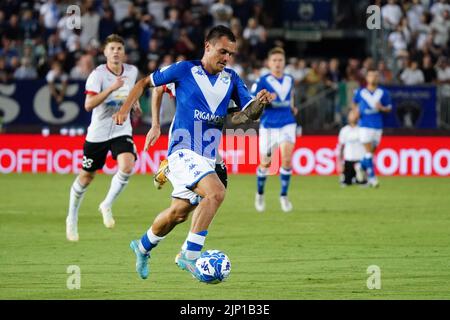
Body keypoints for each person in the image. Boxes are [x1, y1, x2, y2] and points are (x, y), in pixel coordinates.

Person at [112, 25, 273, 281]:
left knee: (178, 213)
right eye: (222, 51)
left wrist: (260, 105)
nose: (227, 58)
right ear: (207, 46)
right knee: (216, 192)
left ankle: (142, 246)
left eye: (231, 54)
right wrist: (132, 112)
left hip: (207, 155)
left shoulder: (231, 78)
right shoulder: (184, 70)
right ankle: (189, 254)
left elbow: (245, 116)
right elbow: (148, 84)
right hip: (182, 150)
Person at [65, 34, 141, 242]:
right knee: (87, 176)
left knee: (127, 165)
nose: (116, 52)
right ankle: (72, 217)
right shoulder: (97, 75)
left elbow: (132, 91)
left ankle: (106, 204)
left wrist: (134, 103)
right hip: (98, 133)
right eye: (112, 49)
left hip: (120, 129)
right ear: (105, 53)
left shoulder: (132, 71)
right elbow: (88, 105)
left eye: (119, 48)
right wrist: (111, 89)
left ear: (124, 52)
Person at [146, 83, 229, 191]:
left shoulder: (225, 80)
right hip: (185, 136)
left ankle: (170, 169)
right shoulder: (185, 71)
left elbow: (233, 108)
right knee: (212, 192)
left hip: (208, 139)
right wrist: (155, 125)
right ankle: (171, 169)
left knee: (221, 184)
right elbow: (158, 89)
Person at [251, 47, 298, 213]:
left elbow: (291, 98)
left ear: (284, 63)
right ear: (269, 63)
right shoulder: (262, 81)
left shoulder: (290, 79)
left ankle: (284, 196)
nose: (278, 63)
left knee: (286, 158)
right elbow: (253, 101)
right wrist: (265, 99)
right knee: (266, 163)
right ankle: (260, 193)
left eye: (280, 60)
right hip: (269, 124)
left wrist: (293, 107)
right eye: (275, 60)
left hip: (287, 122)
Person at [352, 68, 392, 188]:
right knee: (369, 152)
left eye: (375, 76)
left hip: (378, 125)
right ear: (367, 78)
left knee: (370, 153)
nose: (373, 78)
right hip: (364, 125)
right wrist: (356, 112)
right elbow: (354, 103)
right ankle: (372, 178)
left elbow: (389, 108)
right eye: (371, 76)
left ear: (378, 78)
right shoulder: (361, 92)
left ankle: (360, 166)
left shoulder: (383, 93)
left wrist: (382, 108)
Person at [337, 109, 366, 186]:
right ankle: (348, 177)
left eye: (354, 114)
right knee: (346, 182)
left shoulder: (362, 130)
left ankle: (361, 177)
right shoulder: (344, 130)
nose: (353, 116)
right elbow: (341, 147)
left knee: (361, 181)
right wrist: (340, 163)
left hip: (360, 160)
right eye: (351, 114)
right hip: (348, 160)